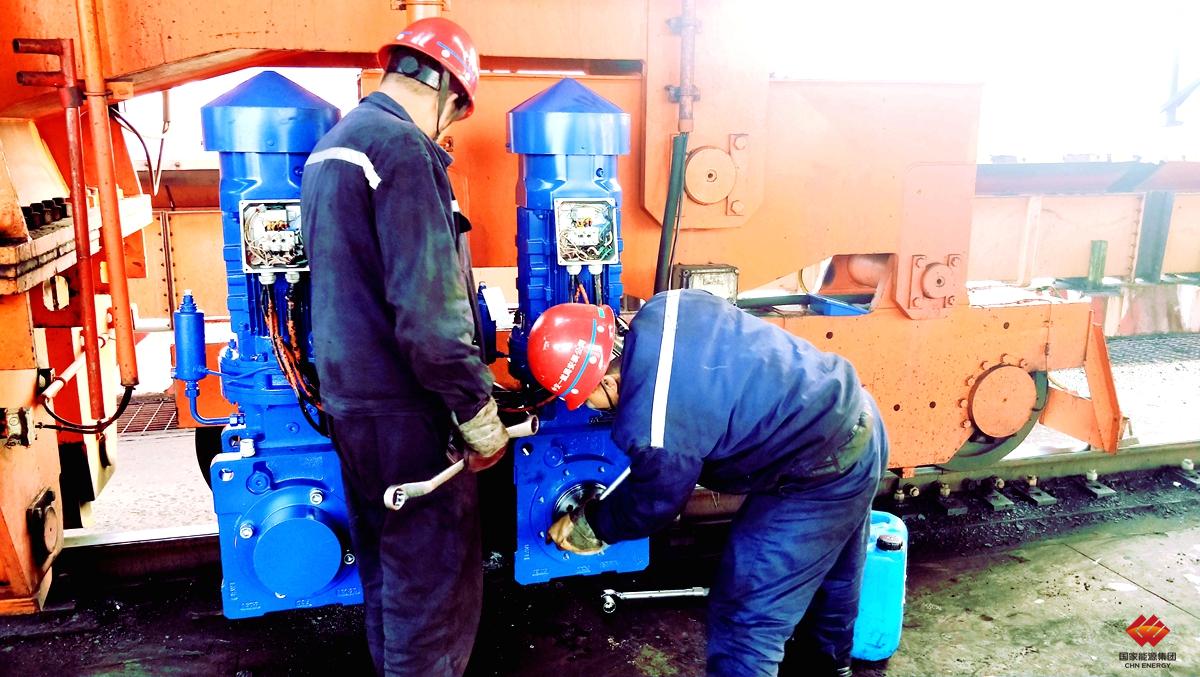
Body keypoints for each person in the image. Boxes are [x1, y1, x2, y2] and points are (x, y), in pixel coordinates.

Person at [533, 290, 889, 677]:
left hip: (819, 472)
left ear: (608, 381)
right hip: (858, 418)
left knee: (745, 621)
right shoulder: (668, 305)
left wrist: (592, 525)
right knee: (832, 579)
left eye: (586, 398)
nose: (588, 407)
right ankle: (828, 669)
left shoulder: (654, 426)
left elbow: (655, 503)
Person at [299, 17, 507, 677]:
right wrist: (478, 415)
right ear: (448, 90)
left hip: (352, 407)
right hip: (409, 415)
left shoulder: (332, 147)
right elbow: (431, 315)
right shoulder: (402, 151)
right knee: (432, 589)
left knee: (389, 576)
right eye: (457, 113)